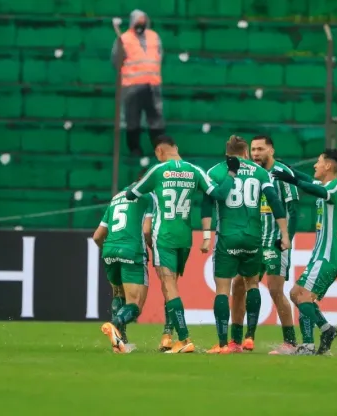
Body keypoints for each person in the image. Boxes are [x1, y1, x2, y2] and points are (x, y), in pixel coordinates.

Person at [125, 135, 239, 353]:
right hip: (185, 236)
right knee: (173, 286)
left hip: (164, 234)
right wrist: (232, 173)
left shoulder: (158, 170)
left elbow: (132, 194)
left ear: (159, 152)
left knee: (168, 287)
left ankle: (184, 339)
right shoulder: (194, 170)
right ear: (176, 147)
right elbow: (219, 194)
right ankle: (167, 335)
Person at [201, 136, 291, 354]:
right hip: (253, 237)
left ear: (227, 154)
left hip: (227, 237)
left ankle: (224, 344)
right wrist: (285, 234)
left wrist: (206, 236)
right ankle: (249, 338)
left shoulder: (215, 171)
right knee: (252, 284)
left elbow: (206, 204)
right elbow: (275, 202)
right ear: (245, 154)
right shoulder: (260, 172)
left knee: (223, 289)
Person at [226, 135, 300, 355]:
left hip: (275, 241)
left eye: (261, 149)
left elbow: (294, 210)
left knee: (276, 290)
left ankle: (290, 343)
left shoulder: (283, 173)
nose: (256, 153)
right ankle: (237, 341)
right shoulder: (252, 174)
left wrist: (288, 239)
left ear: (272, 150)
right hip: (254, 241)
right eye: (254, 149)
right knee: (238, 284)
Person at [272, 148, 337, 356]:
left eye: (319, 161)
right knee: (297, 294)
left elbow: (316, 190)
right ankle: (312, 341)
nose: (315, 165)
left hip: (327, 257)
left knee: (301, 296)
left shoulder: (335, 188)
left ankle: (321, 334)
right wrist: (284, 167)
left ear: (329, 166)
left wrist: (292, 180)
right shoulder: (326, 184)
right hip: (321, 256)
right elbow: (304, 178)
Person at [94, 172, 155, 353]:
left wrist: (109, 251)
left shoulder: (117, 197)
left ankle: (120, 343)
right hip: (132, 251)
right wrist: (152, 248)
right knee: (135, 305)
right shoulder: (148, 196)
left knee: (119, 294)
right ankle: (114, 325)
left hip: (109, 250)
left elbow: (97, 236)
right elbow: (146, 230)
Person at [112, 9, 165, 156]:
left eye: (143, 20)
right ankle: (134, 149)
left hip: (152, 85)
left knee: (156, 119)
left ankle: (160, 149)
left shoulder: (154, 37)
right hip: (132, 87)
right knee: (132, 119)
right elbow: (116, 61)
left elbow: (160, 55)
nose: (140, 24)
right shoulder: (124, 39)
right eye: (138, 21)